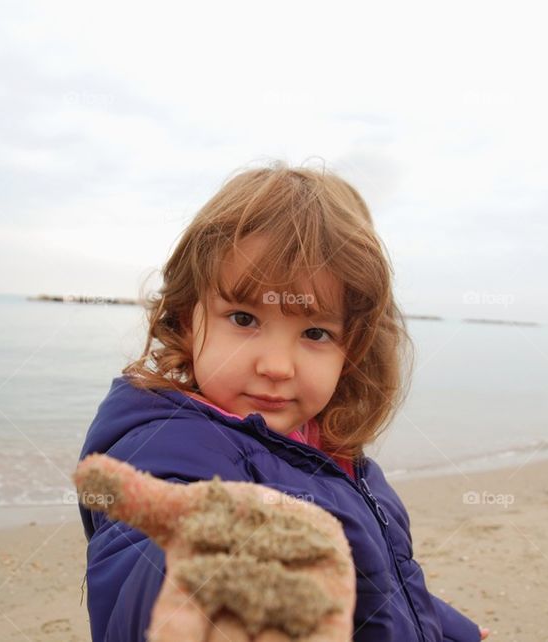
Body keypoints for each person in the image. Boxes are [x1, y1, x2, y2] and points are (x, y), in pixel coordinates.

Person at [77, 163, 489, 641]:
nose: (277, 365)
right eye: (244, 318)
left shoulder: (332, 454)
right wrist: (214, 578)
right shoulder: (166, 441)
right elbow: (136, 555)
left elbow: (384, 584)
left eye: (315, 332)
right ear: (187, 319)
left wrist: (448, 630)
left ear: (350, 349)